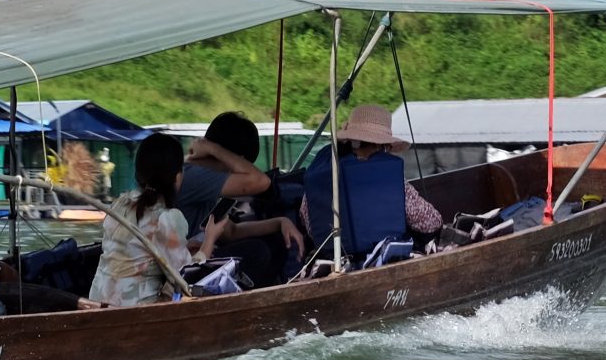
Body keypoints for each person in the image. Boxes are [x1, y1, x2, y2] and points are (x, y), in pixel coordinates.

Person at [300, 104, 443, 265]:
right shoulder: (391, 180)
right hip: (383, 260)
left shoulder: (324, 174)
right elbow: (431, 222)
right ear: (381, 146)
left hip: (334, 259)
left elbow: (309, 223)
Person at [184, 111, 306, 286]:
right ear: (237, 159)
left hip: (198, 253)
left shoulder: (208, 180)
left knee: (276, 244)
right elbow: (261, 181)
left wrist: (280, 222)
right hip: (183, 262)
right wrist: (213, 148)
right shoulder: (194, 176)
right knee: (258, 252)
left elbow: (230, 232)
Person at [87, 132, 193, 307]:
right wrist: (209, 241)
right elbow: (185, 277)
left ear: (138, 173)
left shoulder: (119, 205)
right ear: (177, 176)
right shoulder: (166, 218)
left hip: (96, 304)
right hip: (132, 312)